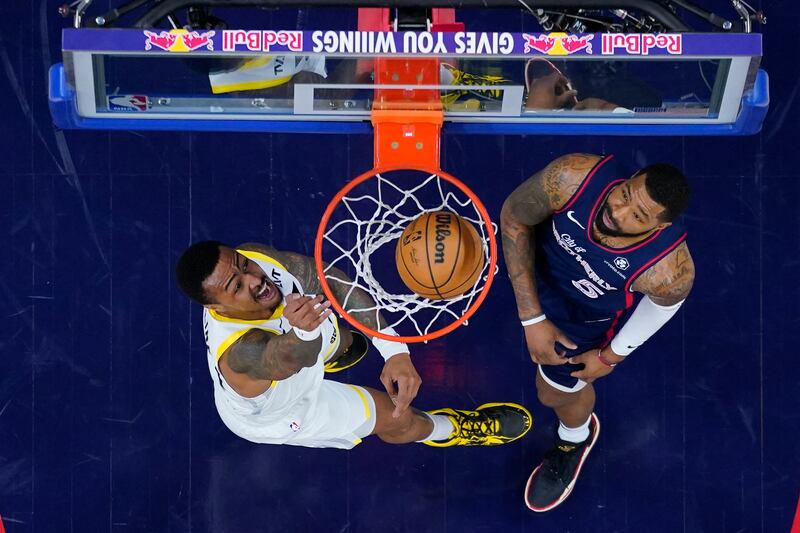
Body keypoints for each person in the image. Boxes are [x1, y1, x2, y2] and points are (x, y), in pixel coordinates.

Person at [175, 241, 532, 449]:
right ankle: (450, 431)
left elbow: (329, 280)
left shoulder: (255, 261)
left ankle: (336, 348)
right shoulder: (240, 354)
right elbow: (289, 358)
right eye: (237, 287)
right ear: (215, 307)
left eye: (244, 265)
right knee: (399, 418)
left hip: (300, 338)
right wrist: (304, 334)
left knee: (338, 330)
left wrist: (394, 350)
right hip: (284, 409)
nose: (255, 279)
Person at [500, 154, 694, 511]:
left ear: (660, 227)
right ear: (629, 177)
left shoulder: (668, 269)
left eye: (638, 216)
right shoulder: (573, 176)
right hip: (533, 267)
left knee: (553, 394)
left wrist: (610, 356)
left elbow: (663, 306)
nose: (617, 212)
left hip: (581, 317)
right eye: (624, 194)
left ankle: (575, 436)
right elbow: (514, 218)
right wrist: (531, 317)